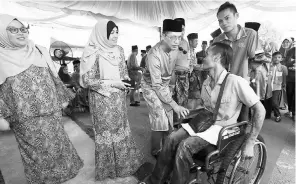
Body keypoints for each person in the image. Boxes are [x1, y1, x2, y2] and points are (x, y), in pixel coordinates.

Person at [140, 42, 266, 184]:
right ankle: (155, 181)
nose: (203, 58)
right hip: (204, 122)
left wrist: (250, 142)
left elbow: (260, 110)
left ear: (217, 58)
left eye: (206, 55)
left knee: (185, 146)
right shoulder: (206, 82)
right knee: (171, 139)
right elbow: (206, 108)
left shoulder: (236, 82)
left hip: (222, 129)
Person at [0, 14, 83, 184]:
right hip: (24, 119)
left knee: (59, 147)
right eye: (13, 30)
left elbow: (54, 76)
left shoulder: (39, 50)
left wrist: (62, 98)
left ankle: (63, 179)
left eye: (23, 29)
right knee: (37, 156)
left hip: (51, 111)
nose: (21, 33)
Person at [80, 19, 143, 181]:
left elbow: (123, 71)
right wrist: (113, 83)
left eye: (117, 32)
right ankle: (108, 169)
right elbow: (87, 80)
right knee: (106, 133)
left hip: (118, 99)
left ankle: (124, 165)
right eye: (111, 32)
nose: (115, 36)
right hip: (101, 100)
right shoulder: (92, 51)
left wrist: (126, 81)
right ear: (102, 33)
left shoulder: (119, 50)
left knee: (120, 129)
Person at [141, 19, 189, 158]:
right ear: (163, 35)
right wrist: (174, 105)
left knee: (169, 116)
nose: (176, 41)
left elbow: (171, 71)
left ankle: (168, 145)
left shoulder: (176, 48)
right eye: (172, 37)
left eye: (179, 37)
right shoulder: (153, 55)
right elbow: (156, 85)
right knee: (159, 117)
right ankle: (156, 150)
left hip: (165, 84)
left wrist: (172, 87)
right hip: (150, 86)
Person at [214, 1, 259, 122]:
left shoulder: (250, 34)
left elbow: (255, 58)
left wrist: (250, 76)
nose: (223, 23)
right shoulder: (217, 40)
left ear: (236, 16)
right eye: (220, 21)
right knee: (224, 121)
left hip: (242, 85)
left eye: (227, 18)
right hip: (224, 87)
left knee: (243, 121)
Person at [170, 18, 191, 123]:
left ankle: (181, 125)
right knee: (174, 101)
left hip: (185, 76)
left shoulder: (185, 42)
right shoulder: (172, 42)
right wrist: (172, 81)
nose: (181, 31)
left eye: (183, 29)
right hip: (175, 76)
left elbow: (187, 57)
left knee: (183, 101)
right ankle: (174, 126)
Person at [266, 52, 288, 122]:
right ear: (272, 58)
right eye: (275, 57)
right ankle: (267, 114)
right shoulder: (269, 66)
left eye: (278, 57)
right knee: (268, 101)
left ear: (281, 59)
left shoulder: (283, 68)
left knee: (274, 102)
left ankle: (277, 115)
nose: (276, 59)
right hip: (269, 86)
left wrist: (284, 84)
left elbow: (284, 77)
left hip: (277, 87)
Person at [187, 33, 203, 110]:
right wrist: (203, 67)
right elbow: (192, 66)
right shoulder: (186, 52)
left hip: (195, 78)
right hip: (189, 78)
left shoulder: (193, 51)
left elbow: (194, 64)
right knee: (192, 98)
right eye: (196, 41)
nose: (197, 43)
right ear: (190, 42)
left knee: (196, 98)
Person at [285, 47, 295, 120]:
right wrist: (293, 61)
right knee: (289, 94)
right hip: (290, 78)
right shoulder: (291, 50)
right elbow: (287, 63)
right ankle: (290, 111)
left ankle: (294, 113)